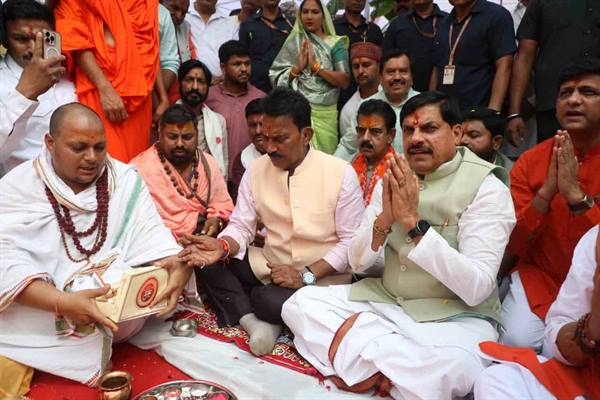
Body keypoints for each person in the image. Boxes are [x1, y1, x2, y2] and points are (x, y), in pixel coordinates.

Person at [282, 91, 516, 399]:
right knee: (300, 304)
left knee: (456, 366)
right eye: (409, 130)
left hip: (452, 317)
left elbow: (477, 288)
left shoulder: (487, 188)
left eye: (429, 128)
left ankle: (363, 358)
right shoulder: (394, 176)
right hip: (387, 301)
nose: (416, 138)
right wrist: (384, 220)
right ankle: (390, 372)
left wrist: (413, 224)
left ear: (457, 133)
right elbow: (358, 263)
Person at [0, 103, 194, 385]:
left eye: (100, 147)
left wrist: (176, 264)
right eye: (78, 148)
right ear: (50, 143)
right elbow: (5, 263)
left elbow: (153, 235)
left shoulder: (123, 180)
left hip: (116, 310)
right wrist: (63, 302)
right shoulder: (18, 188)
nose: (91, 158)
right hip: (48, 307)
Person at [177, 88, 364, 357]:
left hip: (321, 276)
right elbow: (242, 225)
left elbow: (350, 244)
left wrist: (305, 276)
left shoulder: (340, 173)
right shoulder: (256, 169)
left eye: (280, 139)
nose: (270, 148)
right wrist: (223, 246)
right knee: (208, 261)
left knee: (267, 300)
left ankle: (264, 309)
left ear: (306, 135)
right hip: (271, 265)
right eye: (266, 138)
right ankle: (252, 321)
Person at [499, 59, 600, 351]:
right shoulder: (530, 161)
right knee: (517, 342)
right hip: (541, 277)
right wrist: (544, 196)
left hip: (593, 284)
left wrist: (576, 198)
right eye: (565, 93)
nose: (574, 100)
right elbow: (513, 243)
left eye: (588, 92)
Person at [474, 225, 600, 400]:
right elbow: (559, 331)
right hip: (541, 279)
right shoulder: (595, 240)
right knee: (498, 377)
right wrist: (592, 328)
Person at [54, 0, 170, 163]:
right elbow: (76, 42)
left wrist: (163, 97)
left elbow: (149, 47)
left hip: (140, 96)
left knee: (137, 165)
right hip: (99, 89)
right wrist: (105, 89)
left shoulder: (144, 3)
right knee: (104, 161)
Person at [506, 0, 600, 146]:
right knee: (553, 156)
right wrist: (514, 113)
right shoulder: (541, 2)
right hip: (553, 103)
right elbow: (524, 56)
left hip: (597, 101)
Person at [132, 104, 234, 239]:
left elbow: (222, 204)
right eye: (172, 137)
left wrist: (217, 220)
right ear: (160, 134)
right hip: (156, 244)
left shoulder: (208, 164)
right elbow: (133, 220)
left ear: (197, 134)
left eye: (187, 137)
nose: (180, 144)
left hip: (202, 240)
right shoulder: (139, 169)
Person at [0, 0, 75, 174]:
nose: (34, 48)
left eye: (44, 39)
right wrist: (25, 93)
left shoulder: (71, 73)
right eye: (21, 39)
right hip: (22, 185)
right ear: (5, 40)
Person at [270, 0, 350, 154]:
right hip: (297, 112)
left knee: (324, 161)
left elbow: (344, 80)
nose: (309, 16)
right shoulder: (294, 43)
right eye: (305, 12)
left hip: (325, 113)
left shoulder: (335, 44)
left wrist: (315, 67)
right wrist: (296, 69)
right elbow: (275, 78)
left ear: (323, 16)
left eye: (315, 12)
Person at [430, 0, 515, 111]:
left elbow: (504, 66)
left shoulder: (496, 16)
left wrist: (492, 112)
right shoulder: (444, 23)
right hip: (445, 112)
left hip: (479, 111)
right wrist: (431, 107)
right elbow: (436, 68)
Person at [335, 49, 419, 161]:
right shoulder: (366, 106)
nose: (397, 77)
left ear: (412, 77)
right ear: (380, 77)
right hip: (373, 170)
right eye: (390, 72)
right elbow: (348, 147)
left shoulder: (423, 106)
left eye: (403, 71)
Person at [205, 40, 265, 185]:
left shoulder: (261, 98)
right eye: (237, 64)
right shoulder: (208, 97)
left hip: (251, 174)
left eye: (247, 63)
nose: (244, 69)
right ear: (223, 67)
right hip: (216, 176)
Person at [383, 0, 448, 92]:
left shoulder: (448, 21)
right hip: (405, 91)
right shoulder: (397, 24)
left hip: (442, 90)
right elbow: (386, 60)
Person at [177, 59, 228, 177]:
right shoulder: (166, 119)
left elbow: (223, 163)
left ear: (208, 87)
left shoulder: (218, 121)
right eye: (189, 80)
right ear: (180, 83)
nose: (195, 87)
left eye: (200, 81)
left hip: (210, 183)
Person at [333, 0, 383, 110]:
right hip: (339, 95)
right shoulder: (332, 29)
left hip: (372, 96)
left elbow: (382, 64)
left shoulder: (374, 30)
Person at [238, 0, 294, 94]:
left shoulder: (292, 23)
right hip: (256, 88)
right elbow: (242, 57)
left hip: (286, 86)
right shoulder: (247, 24)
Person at [338, 42, 381, 155]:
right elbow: (349, 150)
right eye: (356, 66)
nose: (360, 71)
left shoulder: (392, 95)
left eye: (366, 65)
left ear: (379, 65)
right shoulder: (349, 109)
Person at [352, 99, 395, 206]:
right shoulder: (352, 164)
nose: (365, 138)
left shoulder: (397, 171)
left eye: (375, 131)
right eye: (361, 130)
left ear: (390, 135)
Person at [186, 0, 238, 81]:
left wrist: (222, 78)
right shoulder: (184, 17)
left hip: (220, 84)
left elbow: (236, 56)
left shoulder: (231, 23)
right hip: (188, 81)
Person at [230, 98, 266, 201]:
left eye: (262, 124)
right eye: (253, 125)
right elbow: (240, 200)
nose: (258, 131)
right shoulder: (242, 159)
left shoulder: (287, 154)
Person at [461, 107, 513, 172]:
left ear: (497, 142)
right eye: (461, 134)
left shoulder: (512, 173)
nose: (462, 140)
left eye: (473, 135)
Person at [158, 2, 180, 105]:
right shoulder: (111, 6)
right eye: (174, 8)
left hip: (148, 98)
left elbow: (170, 63)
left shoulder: (162, 13)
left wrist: (159, 99)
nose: (179, 16)